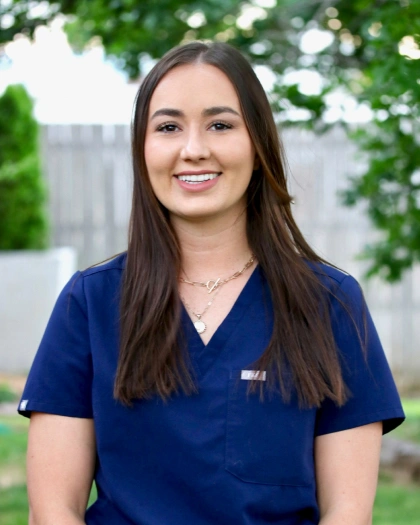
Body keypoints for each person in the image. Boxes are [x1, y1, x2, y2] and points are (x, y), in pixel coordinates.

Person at [19, 41, 404, 525]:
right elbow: (53, 510)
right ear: (144, 149)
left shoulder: (329, 304)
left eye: (220, 125)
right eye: (168, 127)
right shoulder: (91, 302)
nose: (193, 149)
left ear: (258, 144)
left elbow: (348, 513)